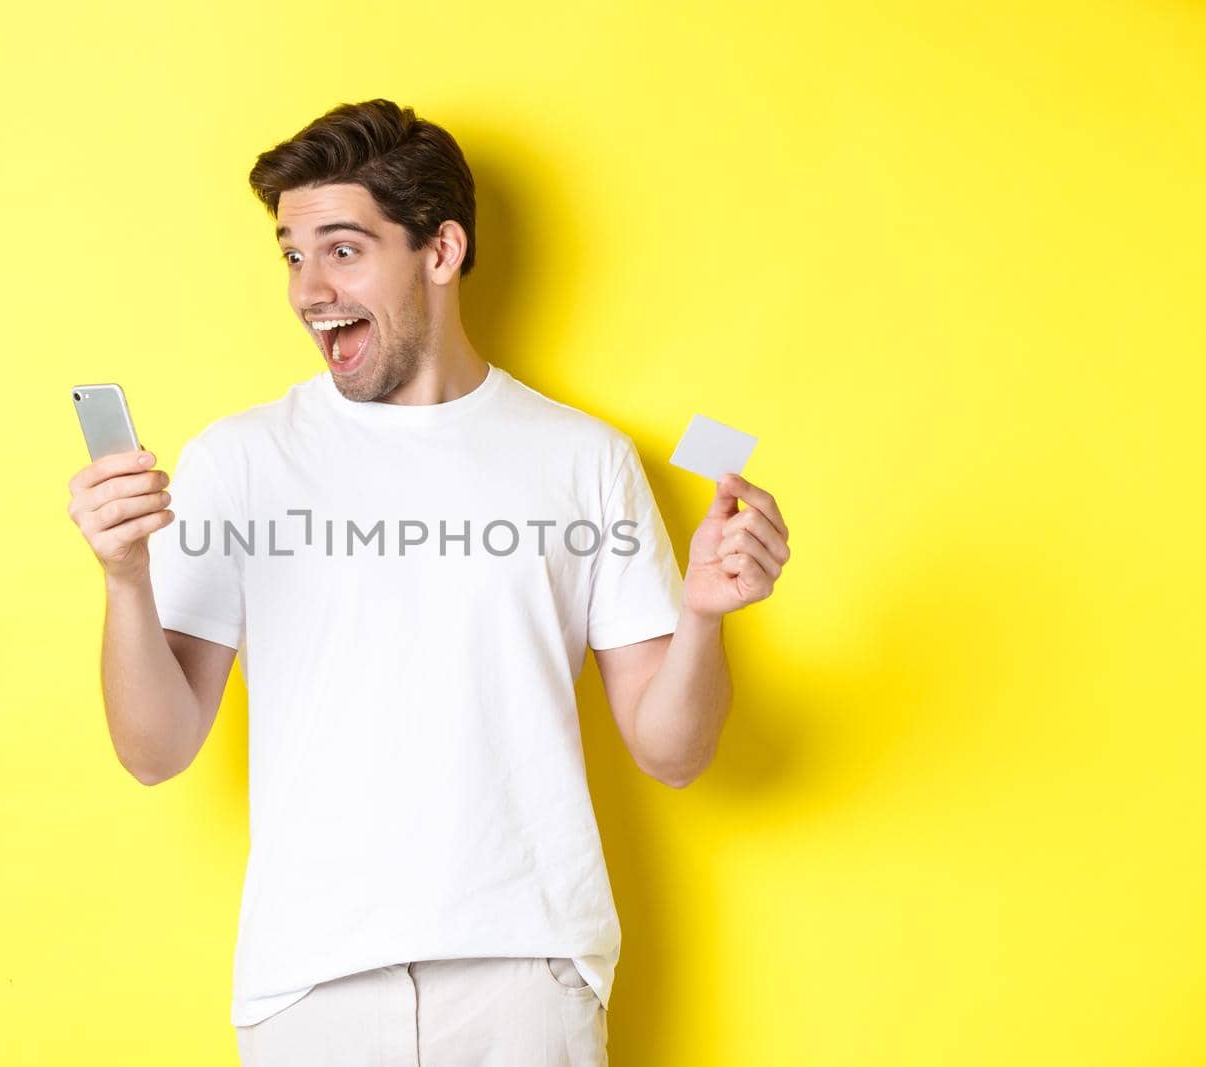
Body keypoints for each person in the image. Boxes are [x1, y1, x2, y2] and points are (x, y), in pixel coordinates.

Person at [66, 98, 791, 1067]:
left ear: (440, 250)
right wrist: (124, 579)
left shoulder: (582, 460)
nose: (308, 289)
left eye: (342, 249)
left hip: (525, 972)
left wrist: (703, 618)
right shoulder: (239, 459)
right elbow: (153, 750)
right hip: (309, 981)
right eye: (290, 254)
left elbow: (672, 750)